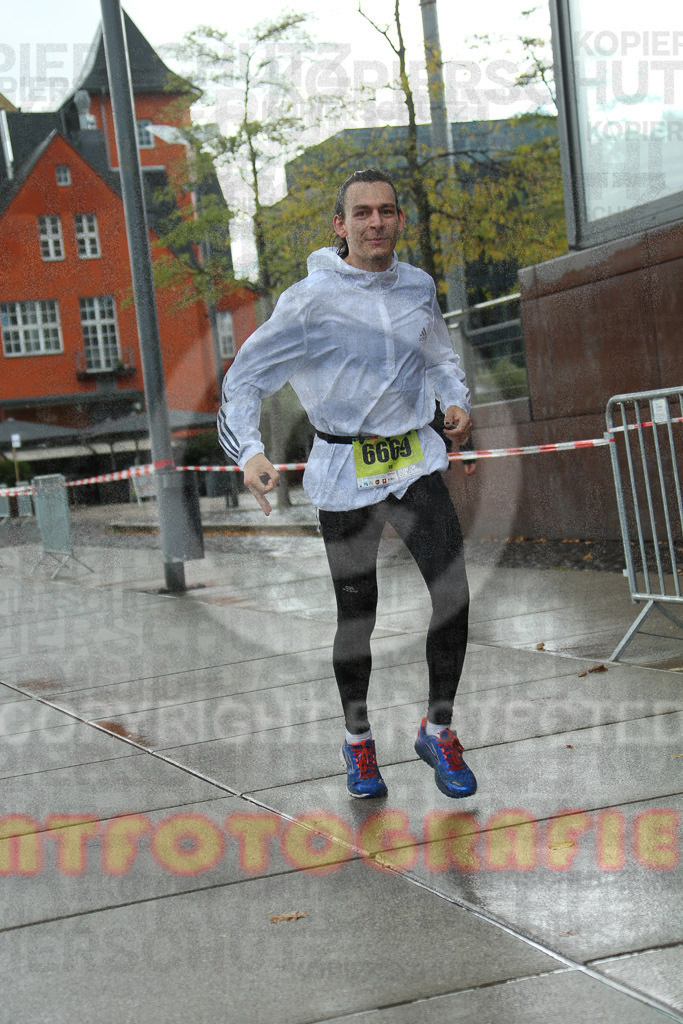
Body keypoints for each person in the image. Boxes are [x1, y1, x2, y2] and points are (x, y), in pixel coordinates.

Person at [218, 168, 476, 800]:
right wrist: (250, 452)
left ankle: (437, 729)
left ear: (399, 221)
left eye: (386, 211)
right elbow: (244, 379)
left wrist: (455, 399)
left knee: (455, 597)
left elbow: (441, 355)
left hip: (414, 460)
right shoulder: (309, 301)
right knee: (358, 616)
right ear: (340, 226)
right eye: (361, 213)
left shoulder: (417, 286)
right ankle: (359, 744)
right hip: (344, 473)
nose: (376, 223)